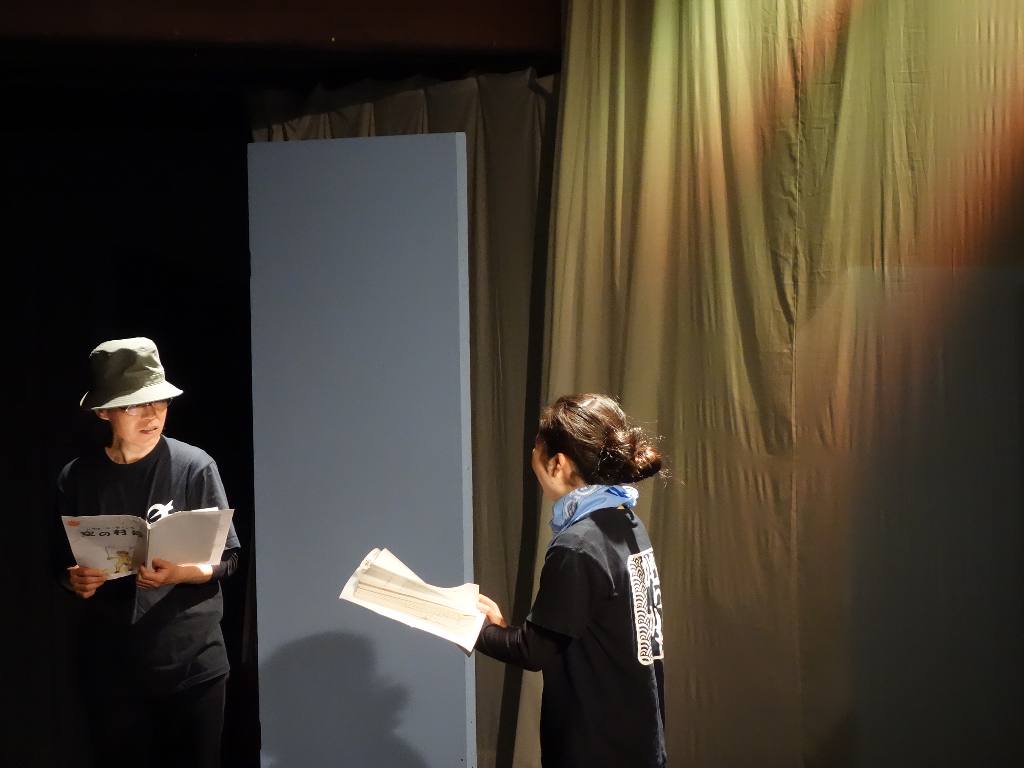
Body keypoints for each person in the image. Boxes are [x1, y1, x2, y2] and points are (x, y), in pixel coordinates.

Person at [54, 337, 241, 768]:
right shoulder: (77, 478)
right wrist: (74, 579)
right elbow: (58, 565)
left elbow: (228, 559)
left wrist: (180, 573)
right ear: (104, 412)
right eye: (135, 405)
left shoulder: (194, 466)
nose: (152, 415)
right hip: (113, 668)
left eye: (160, 402)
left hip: (192, 663)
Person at [475, 393, 667, 768]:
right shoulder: (626, 521)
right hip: (637, 741)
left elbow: (533, 651)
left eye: (536, 450)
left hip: (596, 748)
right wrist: (496, 627)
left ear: (558, 463)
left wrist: (473, 628)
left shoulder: (578, 545)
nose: (533, 459)